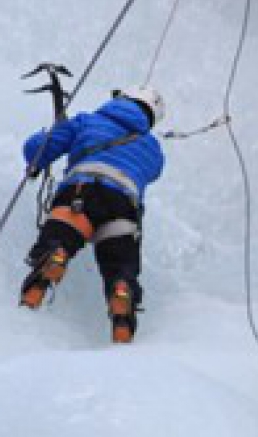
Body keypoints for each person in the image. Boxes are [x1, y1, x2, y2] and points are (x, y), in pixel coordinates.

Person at [20, 86, 165, 343]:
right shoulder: (153, 148)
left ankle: (51, 262)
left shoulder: (88, 121)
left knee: (57, 241)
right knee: (120, 269)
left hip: (81, 193)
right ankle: (122, 296)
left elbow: (36, 149)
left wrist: (53, 140)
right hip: (123, 208)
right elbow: (152, 171)